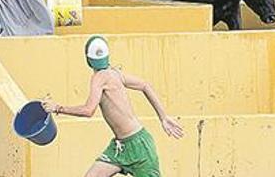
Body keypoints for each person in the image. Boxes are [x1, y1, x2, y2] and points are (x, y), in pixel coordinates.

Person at [41, 36, 184, 177]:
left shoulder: (99, 78)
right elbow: (145, 85)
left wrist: (58, 108)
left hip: (139, 147)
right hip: (120, 146)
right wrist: (163, 117)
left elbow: (88, 110)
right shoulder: (115, 74)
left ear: (88, 59)